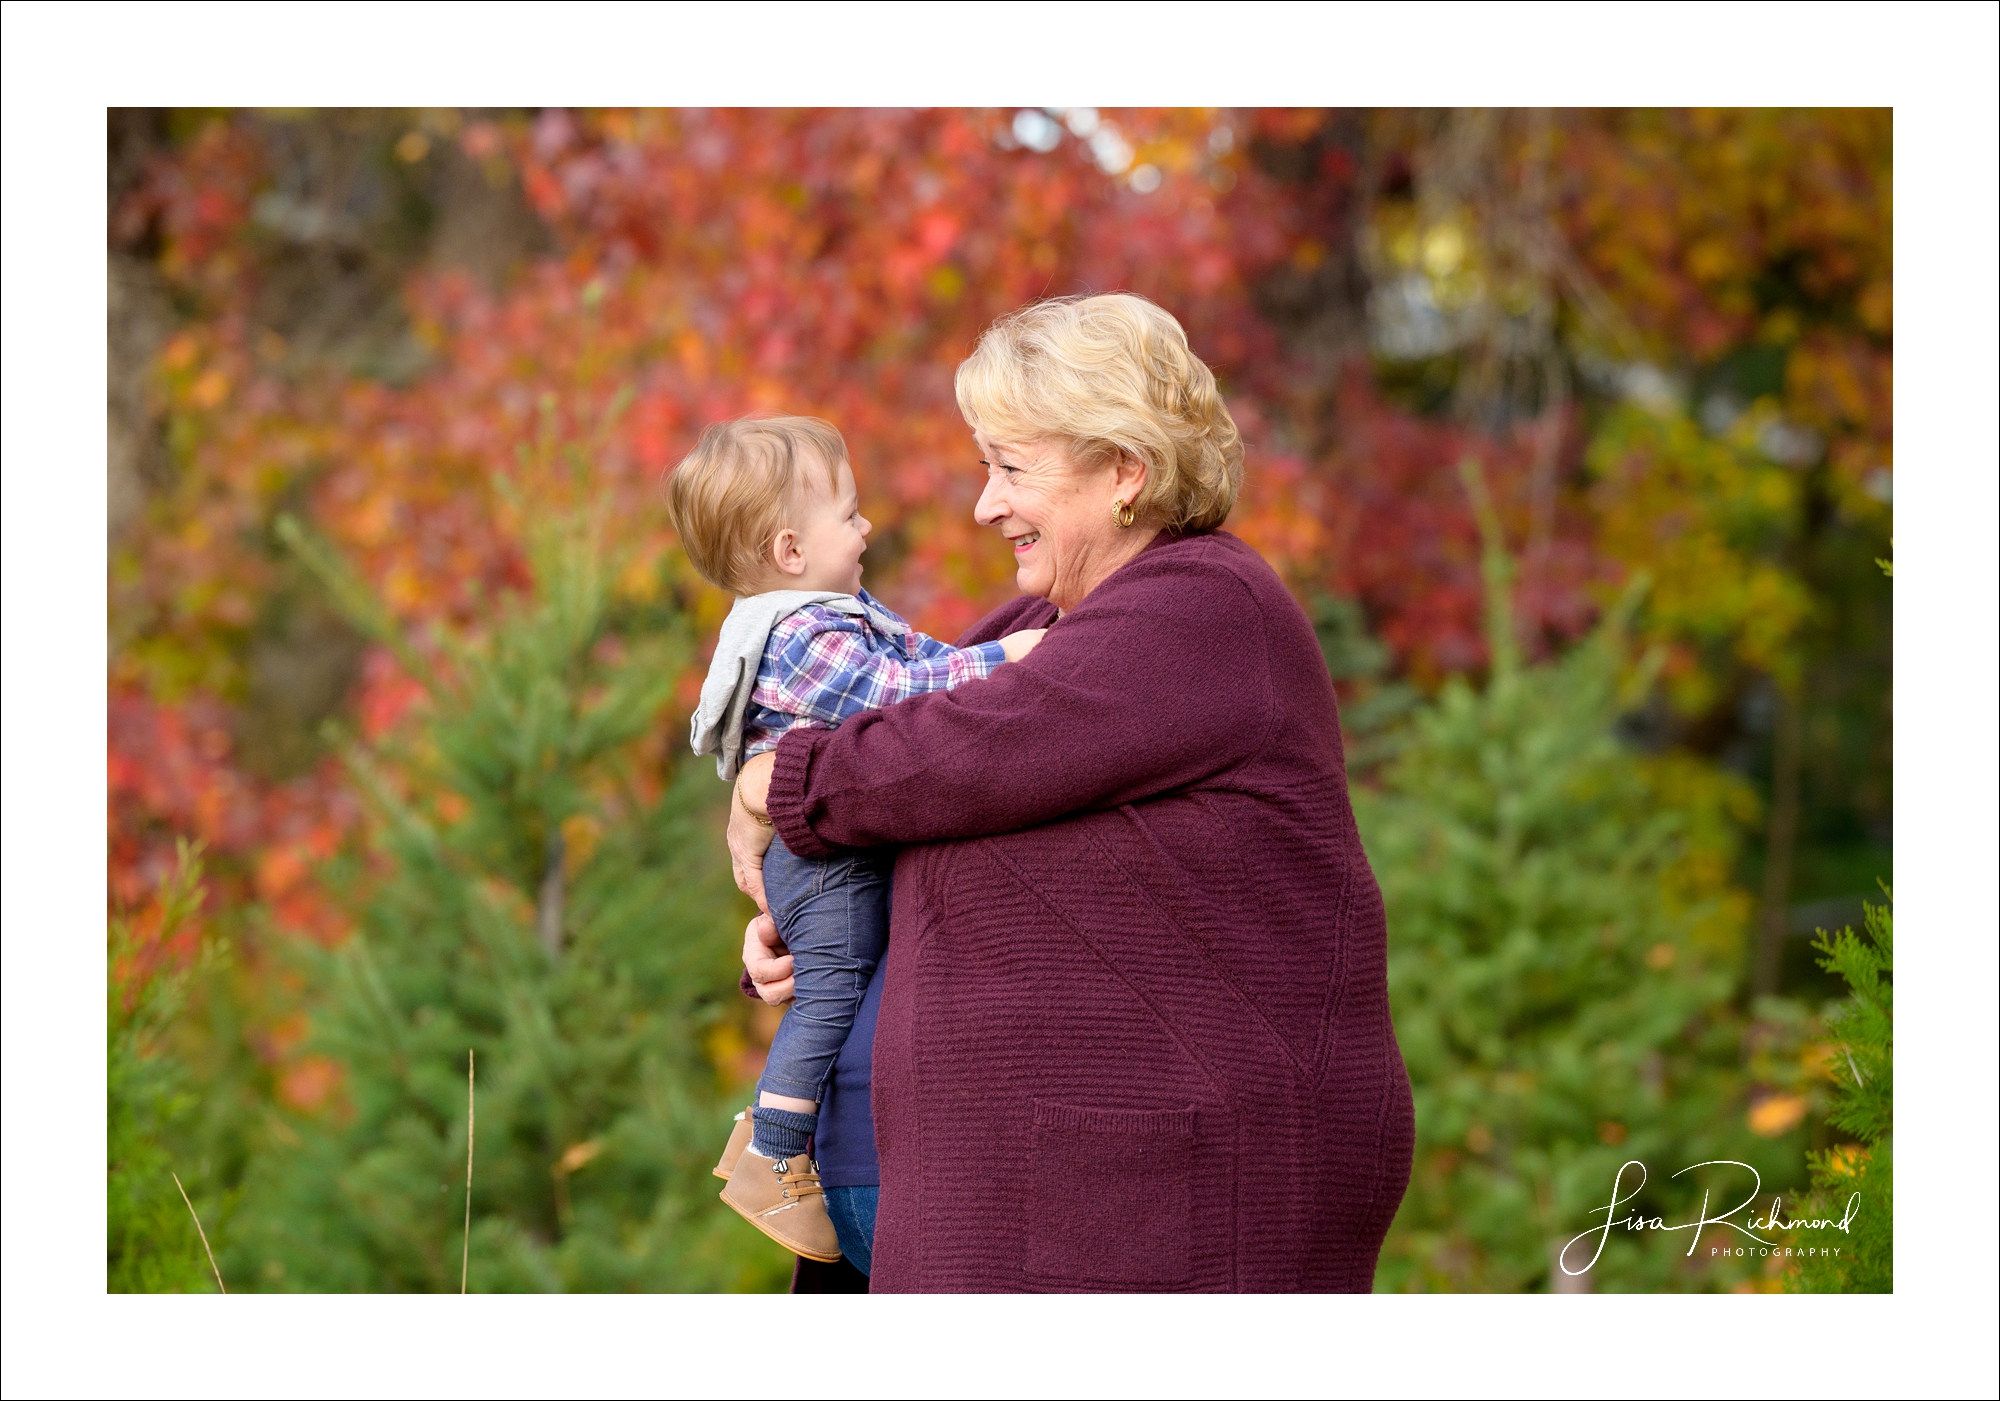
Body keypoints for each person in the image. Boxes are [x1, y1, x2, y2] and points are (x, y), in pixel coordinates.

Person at [730, 293, 1416, 1292]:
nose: (985, 504)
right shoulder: (1037, 621)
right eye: (984, 468)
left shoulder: (1202, 610)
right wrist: (804, 920)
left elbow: (948, 760)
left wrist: (769, 781)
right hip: (967, 1200)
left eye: (1012, 469)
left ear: (1125, 472)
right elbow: (889, 791)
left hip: (1134, 1213)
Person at [663, 415, 1045, 1263]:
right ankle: (773, 1148)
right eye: (849, 512)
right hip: (820, 861)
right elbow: (898, 693)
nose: (867, 526)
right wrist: (1011, 658)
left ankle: (781, 1129)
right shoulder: (799, 636)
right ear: (791, 549)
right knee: (834, 988)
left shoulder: (834, 610)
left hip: (821, 854)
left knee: (846, 976)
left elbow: (927, 660)